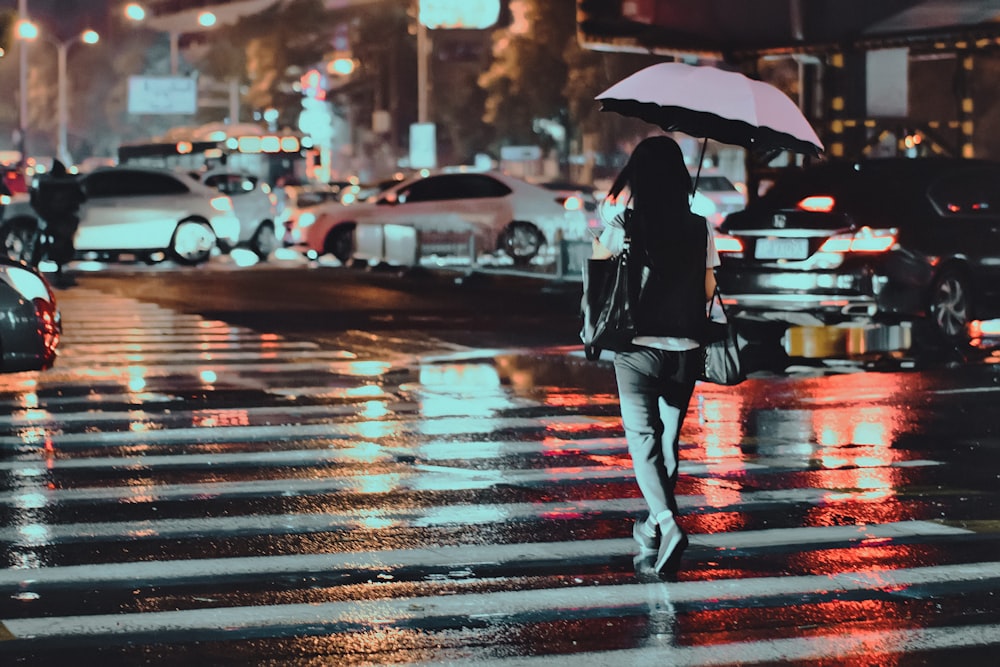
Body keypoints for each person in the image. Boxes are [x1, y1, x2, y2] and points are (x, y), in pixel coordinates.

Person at [591, 135, 720, 577]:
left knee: (642, 439)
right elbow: (707, 290)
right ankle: (649, 525)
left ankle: (667, 523)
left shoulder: (627, 221)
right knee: (667, 441)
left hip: (637, 349)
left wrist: (607, 235)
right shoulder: (700, 225)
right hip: (685, 349)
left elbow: (598, 266)